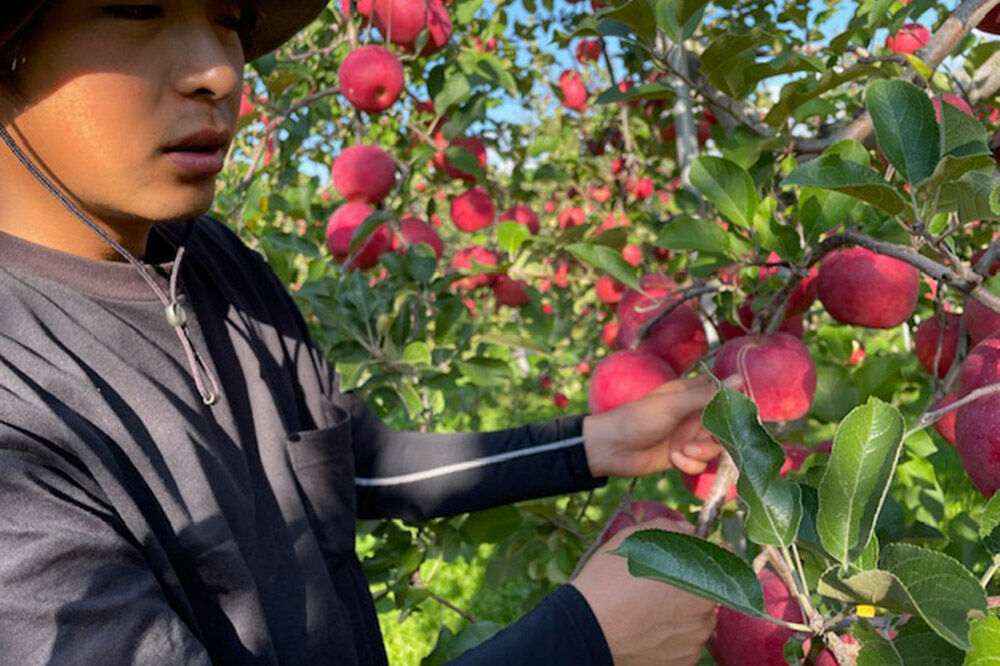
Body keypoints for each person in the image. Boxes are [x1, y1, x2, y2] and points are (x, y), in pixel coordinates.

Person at [0, 1, 720, 664]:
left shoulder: (216, 263)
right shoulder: (15, 399)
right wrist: (581, 644)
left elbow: (357, 466)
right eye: (136, 8)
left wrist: (598, 442)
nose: (219, 70)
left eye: (229, 19)